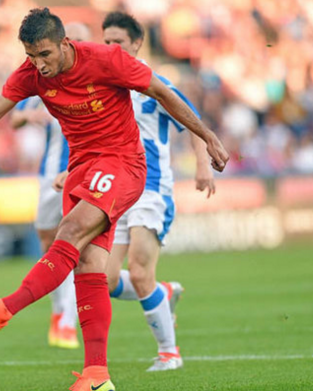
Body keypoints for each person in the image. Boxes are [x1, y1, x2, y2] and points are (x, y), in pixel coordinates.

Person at [0, 8, 229, 390]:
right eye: (31, 56)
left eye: (45, 54)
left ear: (65, 43)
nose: (39, 65)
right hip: (81, 170)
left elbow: (163, 92)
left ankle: (1, 310)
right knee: (89, 267)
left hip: (123, 164)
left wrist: (208, 136)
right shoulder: (30, 74)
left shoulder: (106, 60)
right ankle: (97, 375)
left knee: (72, 229)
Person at [101, 11, 215, 372]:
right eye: (104, 43)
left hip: (151, 189)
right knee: (101, 279)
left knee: (138, 270)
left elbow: (193, 121)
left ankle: (170, 353)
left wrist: (202, 163)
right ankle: (162, 293)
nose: (109, 48)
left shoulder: (155, 83)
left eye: (116, 42)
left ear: (136, 43)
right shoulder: (100, 88)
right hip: (116, 192)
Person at [10, 22, 92, 350]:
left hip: (82, 174)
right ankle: (59, 310)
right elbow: (14, 117)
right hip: (49, 175)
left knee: (72, 245)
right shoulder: (46, 82)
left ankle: (67, 321)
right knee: (49, 243)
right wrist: (30, 117)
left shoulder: (93, 79)